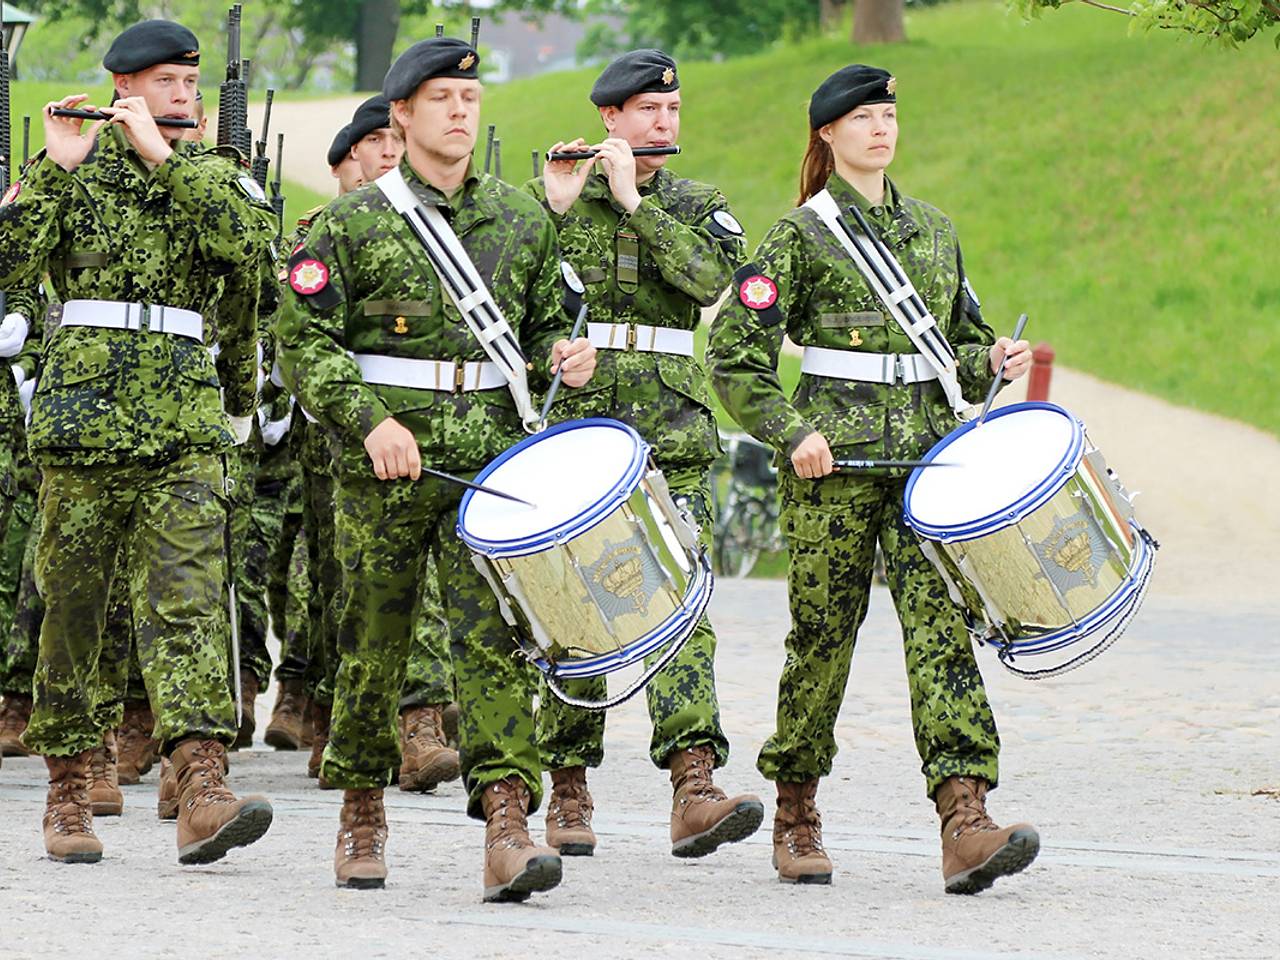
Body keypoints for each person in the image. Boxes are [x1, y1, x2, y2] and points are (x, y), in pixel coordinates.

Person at [275, 35, 597, 898]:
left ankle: (506, 823)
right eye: (443, 100)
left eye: (471, 97)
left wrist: (562, 356)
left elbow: (537, 330)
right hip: (384, 468)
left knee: (494, 644)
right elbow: (302, 343)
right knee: (373, 645)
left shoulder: (521, 220)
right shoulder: (350, 224)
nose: (461, 111)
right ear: (402, 115)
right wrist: (370, 419)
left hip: (486, 467)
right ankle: (360, 813)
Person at [707, 64, 1038, 893]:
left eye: (889, 113)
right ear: (827, 133)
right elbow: (735, 359)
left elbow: (961, 341)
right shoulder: (798, 236)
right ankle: (795, 810)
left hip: (925, 464)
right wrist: (791, 433)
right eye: (862, 117)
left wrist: (994, 357)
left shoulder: (933, 228)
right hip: (835, 468)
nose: (881, 128)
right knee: (822, 642)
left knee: (942, 637)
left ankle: (965, 818)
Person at [0, 19, 277, 865]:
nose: (185, 97)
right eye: (167, 84)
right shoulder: (72, 173)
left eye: (191, 84)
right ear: (125, 90)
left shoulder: (210, 175)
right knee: (74, 612)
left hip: (186, 426)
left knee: (188, 597)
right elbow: (7, 266)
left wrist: (166, 157)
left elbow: (251, 254)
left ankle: (200, 779)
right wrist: (50, 167)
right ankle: (68, 789)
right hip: (83, 424)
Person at [523, 48, 763, 861]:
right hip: (578, 430)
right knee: (575, 609)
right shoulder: (553, 196)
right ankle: (565, 784)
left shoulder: (698, 203)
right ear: (610, 120)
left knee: (681, 604)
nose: (665, 124)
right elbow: (518, 297)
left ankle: (693, 782)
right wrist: (555, 210)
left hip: (671, 433)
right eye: (649, 113)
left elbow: (711, 284)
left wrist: (635, 203)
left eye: (673, 112)